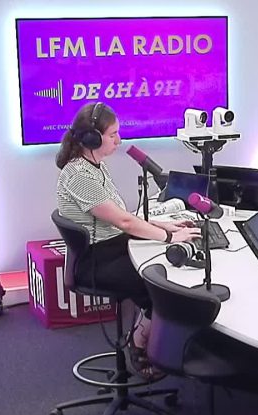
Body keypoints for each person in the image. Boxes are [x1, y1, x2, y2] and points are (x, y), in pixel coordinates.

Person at [56, 101, 200, 378]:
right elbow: (123, 222)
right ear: (92, 138)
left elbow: (123, 217)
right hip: (95, 262)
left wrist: (163, 225)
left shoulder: (95, 166)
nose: (119, 141)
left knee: (162, 267)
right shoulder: (79, 176)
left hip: (112, 245)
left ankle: (154, 338)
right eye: (113, 135)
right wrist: (170, 236)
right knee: (162, 284)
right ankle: (140, 344)